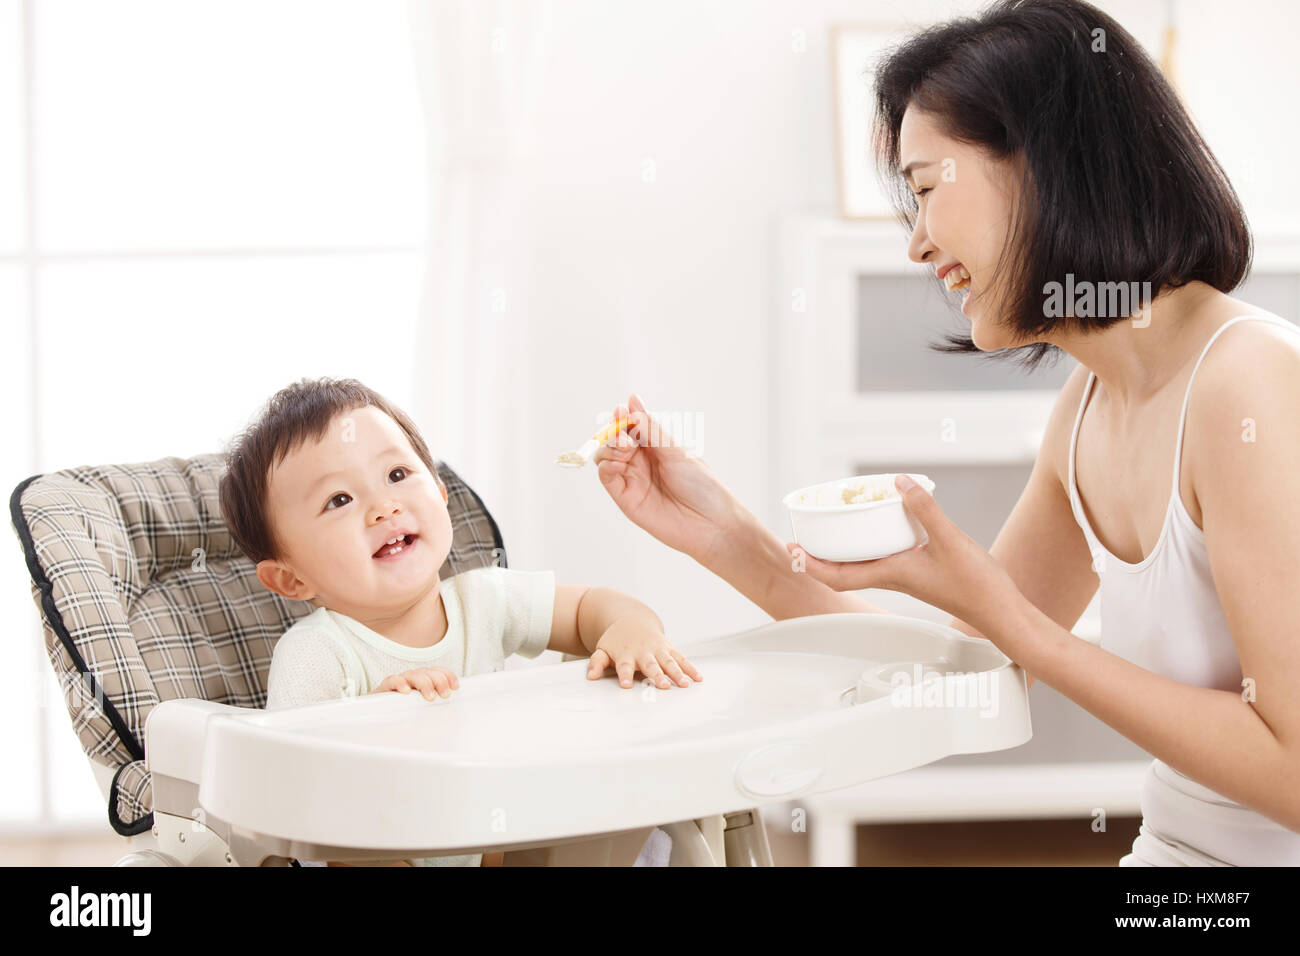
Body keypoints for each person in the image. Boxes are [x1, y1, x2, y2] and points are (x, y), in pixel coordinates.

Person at [593, 0, 1300, 866]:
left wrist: (1015, 622)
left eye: (927, 189)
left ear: (1047, 164)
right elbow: (964, 680)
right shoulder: (1089, 410)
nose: (918, 244)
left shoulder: (1249, 387)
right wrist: (724, 537)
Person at [219, 377, 700, 867]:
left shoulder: (486, 598)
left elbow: (588, 610)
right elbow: (287, 784)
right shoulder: (315, 653)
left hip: (494, 843)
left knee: (599, 802)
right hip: (385, 849)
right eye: (339, 500)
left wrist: (630, 629)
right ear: (290, 579)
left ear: (441, 493)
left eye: (398, 474)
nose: (385, 507)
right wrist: (370, 726)